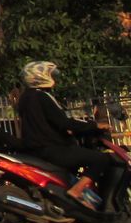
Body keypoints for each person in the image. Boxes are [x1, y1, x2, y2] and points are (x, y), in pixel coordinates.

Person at [16, 61, 111, 210]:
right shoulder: (42, 96)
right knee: (101, 158)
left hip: (36, 148)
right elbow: (63, 122)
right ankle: (77, 190)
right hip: (51, 148)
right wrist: (94, 126)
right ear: (40, 76)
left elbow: (47, 123)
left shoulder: (25, 98)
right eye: (50, 74)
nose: (54, 78)